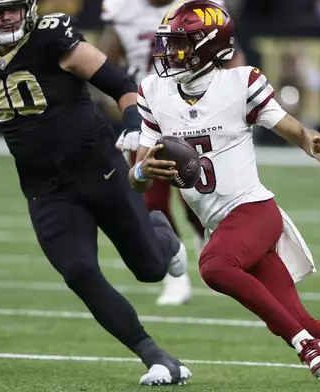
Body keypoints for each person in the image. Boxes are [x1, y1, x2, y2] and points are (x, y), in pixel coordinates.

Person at [122, 1, 320, 389]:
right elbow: (139, 177)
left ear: (209, 46)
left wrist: (310, 142)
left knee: (214, 266)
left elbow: (287, 125)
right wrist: (139, 171)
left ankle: (304, 346)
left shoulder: (240, 82)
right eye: (169, 44)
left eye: (181, 44)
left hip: (253, 210)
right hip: (221, 221)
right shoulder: (153, 91)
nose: (170, 53)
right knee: (305, 322)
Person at [0, 0, 191, 385]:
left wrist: (132, 121)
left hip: (98, 170)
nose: (6, 17)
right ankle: (156, 357)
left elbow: (121, 84)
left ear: (28, 7)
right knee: (78, 271)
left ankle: (163, 236)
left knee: (150, 269)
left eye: (12, 8)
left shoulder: (54, 38)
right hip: (44, 187)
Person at [99, 0, 246, 306]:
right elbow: (104, 71)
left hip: (196, 113)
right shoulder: (122, 11)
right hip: (149, 113)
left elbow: (234, 60)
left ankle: (211, 250)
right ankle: (176, 276)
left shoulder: (200, 7)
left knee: (199, 199)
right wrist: (127, 118)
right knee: (151, 199)